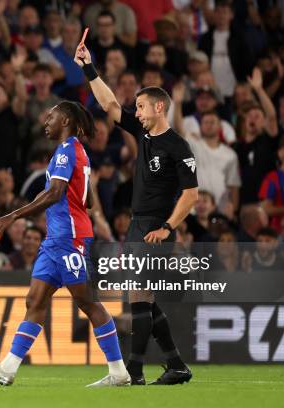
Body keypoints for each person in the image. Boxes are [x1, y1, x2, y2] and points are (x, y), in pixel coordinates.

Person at [0, 101, 130, 387]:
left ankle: (119, 371)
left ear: (66, 120)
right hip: (55, 239)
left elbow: (55, 193)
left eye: (51, 117)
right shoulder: (74, 152)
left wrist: (13, 214)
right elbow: (89, 200)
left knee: (87, 301)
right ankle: (7, 369)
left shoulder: (67, 149)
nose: (45, 122)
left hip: (68, 238)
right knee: (35, 300)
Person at [76, 43, 197, 385]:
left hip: (154, 228)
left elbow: (192, 195)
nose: (137, 111)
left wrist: (168, 227)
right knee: (144, 301)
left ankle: (133, 372)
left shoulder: (178, 147)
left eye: (142, 106)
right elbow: (110, 105)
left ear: (160, 107)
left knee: (139, 298)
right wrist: (89, 68)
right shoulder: (143, 135)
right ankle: (175, 366)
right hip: (138, 224)